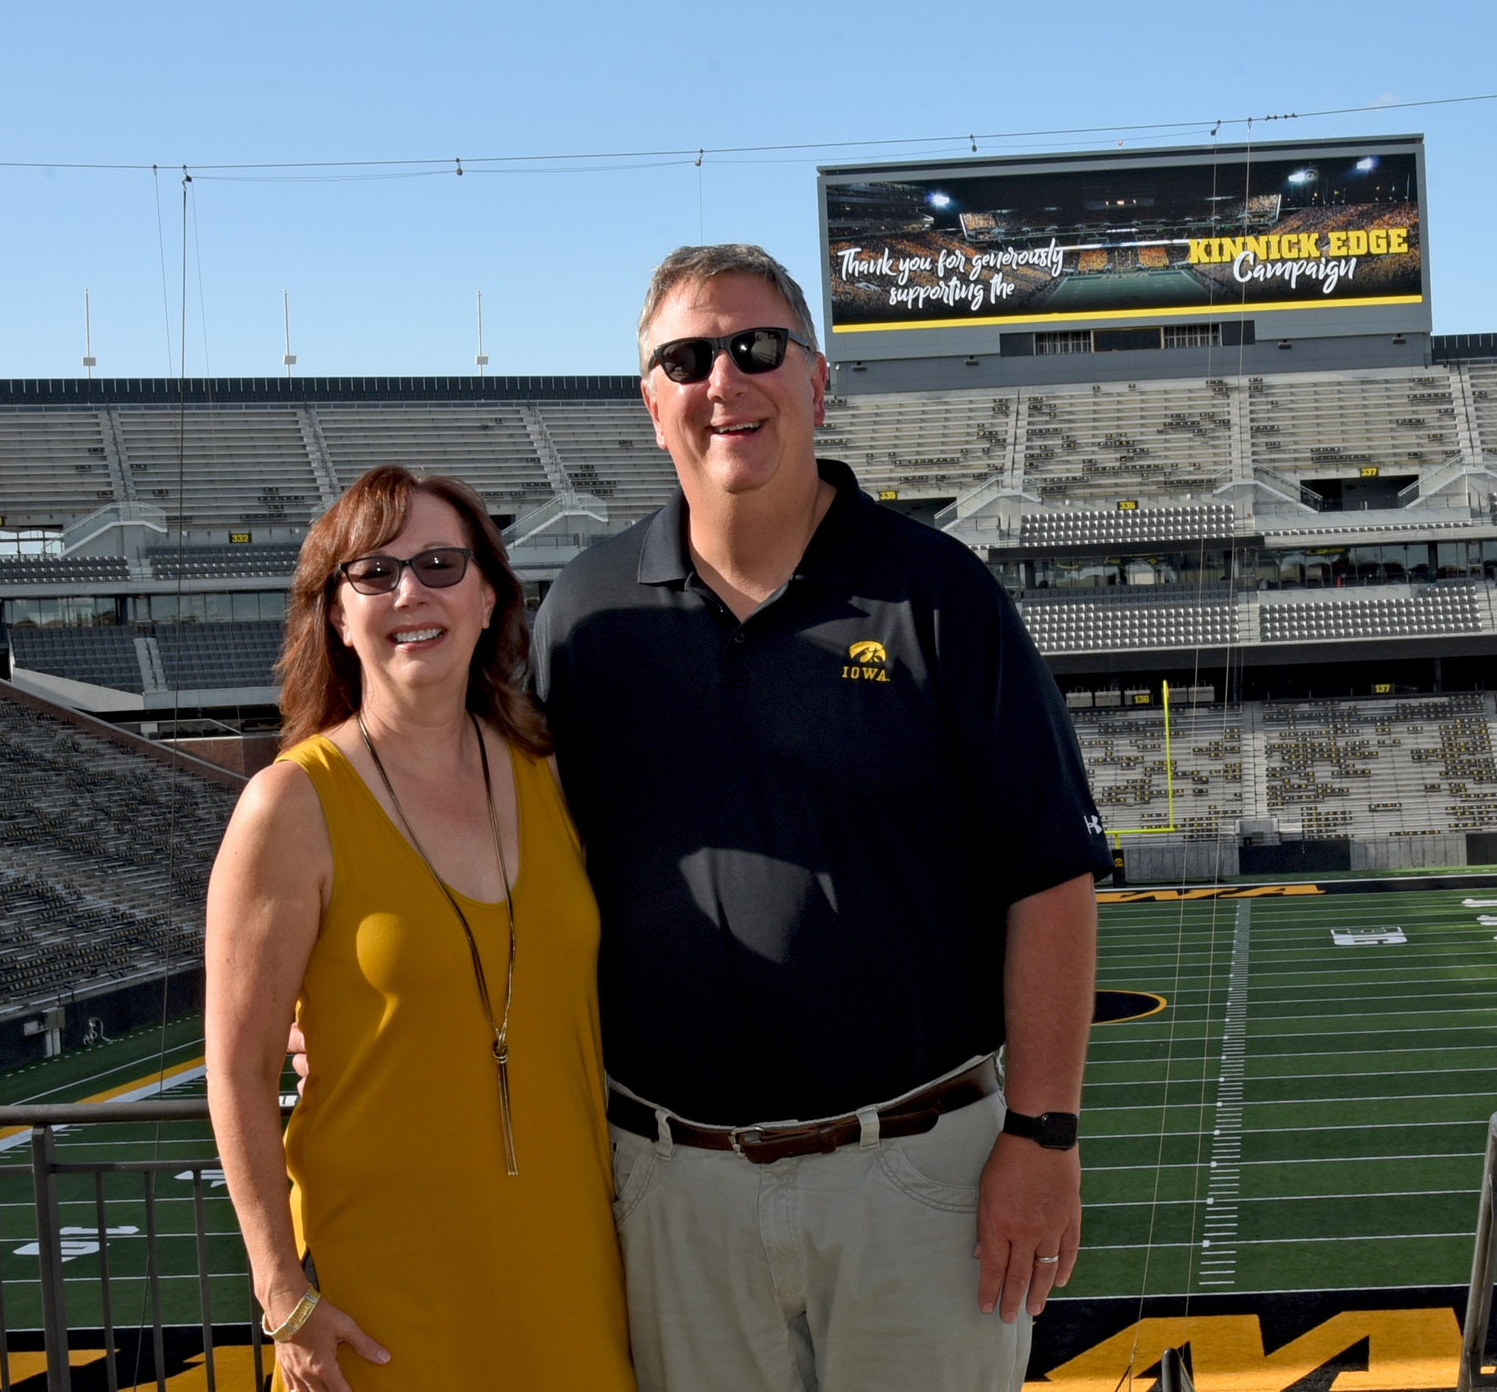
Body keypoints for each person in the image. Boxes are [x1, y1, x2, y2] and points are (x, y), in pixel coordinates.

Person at [532, 244, 1110, 1391]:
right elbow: (510, 867)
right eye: (685, 359)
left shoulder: (937, 593)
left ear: (816, 382)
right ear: (652, 404)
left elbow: (1049, 874)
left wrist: (1044, 1135)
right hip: (672, 1181)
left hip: (913, 1173)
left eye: (756, 348)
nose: (723, 382)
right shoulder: (583, 617)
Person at [206, 466, 634, 1392]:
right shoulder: (291, 804)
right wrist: (282, 1293)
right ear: (335, 613)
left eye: (442, 564)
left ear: (488, 597)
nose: (411, 593)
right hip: (383, 1301)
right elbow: (238, 1070)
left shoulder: (553, 773)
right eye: (374, 573)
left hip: (573, 1269)